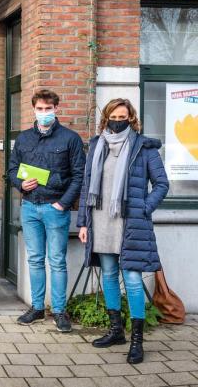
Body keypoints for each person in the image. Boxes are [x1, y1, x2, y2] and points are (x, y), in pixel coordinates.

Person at [77, 98, 168, 364]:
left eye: (123, 117)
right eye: (114, 116)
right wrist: (82, 222)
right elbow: (86, 187)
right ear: (106, 118)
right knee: (107, 275)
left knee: (131, 279)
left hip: (129, 223)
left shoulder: (144, 148)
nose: (119, 121)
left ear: (131, 118)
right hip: (100, 222)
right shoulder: (96, 146)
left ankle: (137, 341)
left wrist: (144, 207)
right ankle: (116, 331)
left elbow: (162, 184)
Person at [7, 89, 85, 332]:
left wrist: (63, 203)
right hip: (29, 206)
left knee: (57, 261)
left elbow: (79, 176)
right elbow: (10, 170)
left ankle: (60, 311)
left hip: (55, 208)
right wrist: (20, 184)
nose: (44, 113)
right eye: (39, 109)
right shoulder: (23, 139)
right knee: (34, 259)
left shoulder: (70, 139)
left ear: (56, 109)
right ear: (33, 109)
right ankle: (37, 307)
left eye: (48, 109)